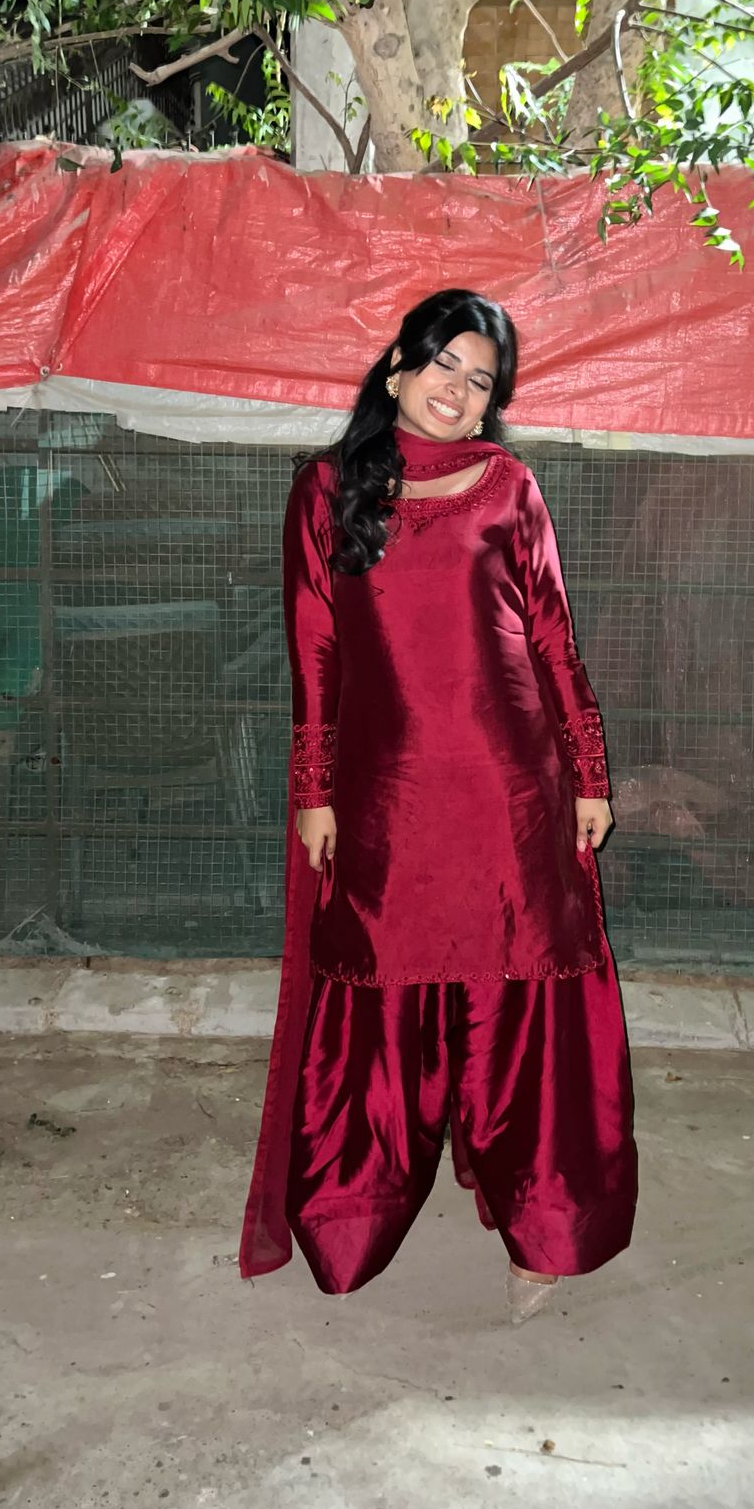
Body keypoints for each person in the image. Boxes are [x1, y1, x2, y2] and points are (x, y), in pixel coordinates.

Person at [239, 289, 637, 1324]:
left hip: (513, 795)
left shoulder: (510, 488)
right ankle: (350, 1217)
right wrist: (313, 791)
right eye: (442, 364)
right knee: (379, 1003)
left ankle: (543, 1232)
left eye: (480, 380)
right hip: (386, 801)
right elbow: (314, 653)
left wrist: (588, 773)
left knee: (517, 1009)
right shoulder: (327, 491)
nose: (457, 391)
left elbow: (551, 641)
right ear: (397, 367)